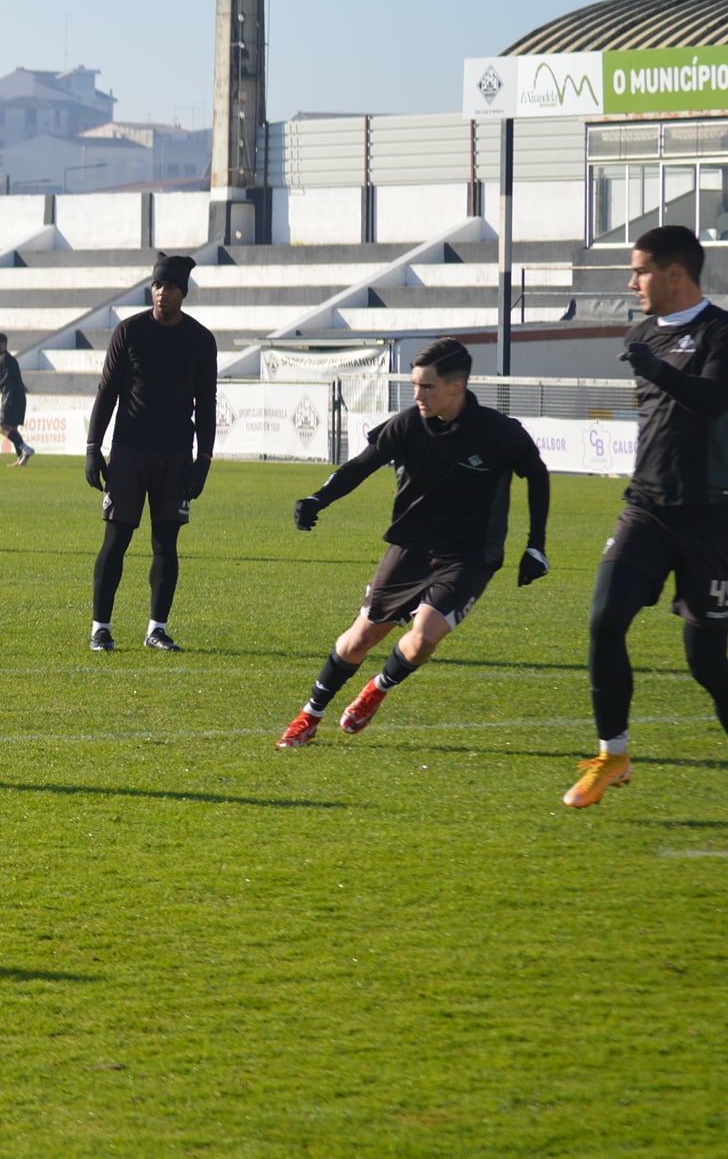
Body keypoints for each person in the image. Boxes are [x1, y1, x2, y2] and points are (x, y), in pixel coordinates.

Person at [277, 338, 550, 748]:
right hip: (410, 548)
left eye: (427, 387)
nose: (417, 395)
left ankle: (377, 689)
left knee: (423, 638)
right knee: (358, 640)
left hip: (469, 555)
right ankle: (308, 716)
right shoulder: (407, 424)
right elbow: (359, 467)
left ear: (456, 387)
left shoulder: (499, 433)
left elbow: (538, 476)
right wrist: (318, 498)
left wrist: (536, 545)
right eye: (415, 386)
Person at [566, 223, 728, 807]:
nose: (633, 282)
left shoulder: (721, 332)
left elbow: (712, 401)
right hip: (647, 509)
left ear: (674, 273)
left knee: (707, 664)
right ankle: (613, 754)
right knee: (605, 621)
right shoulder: (643, 332)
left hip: (713, 518)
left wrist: (655, 368)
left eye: (639, 271)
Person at [84, 254, 217, 651]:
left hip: (175, 456)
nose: (162, 293)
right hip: (128, 453)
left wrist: (204, 460)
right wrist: (94, 448)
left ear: (183, 293)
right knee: (116, 539)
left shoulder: (200, 339)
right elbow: (107, 392)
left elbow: (206, 404)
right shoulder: (129, 332)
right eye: (158, 285)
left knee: (166, 543)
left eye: (171, 287)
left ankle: (156, 628)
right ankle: (100, 629)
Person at [0, 332, 33, 466]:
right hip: (18, 397)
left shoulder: (5, 358)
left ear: (3, 344)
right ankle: (21, 458)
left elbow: (8, 375)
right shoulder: (9, 359)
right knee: (12, 429)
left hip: (11, 397)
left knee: (2, 427)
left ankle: (26, 449)